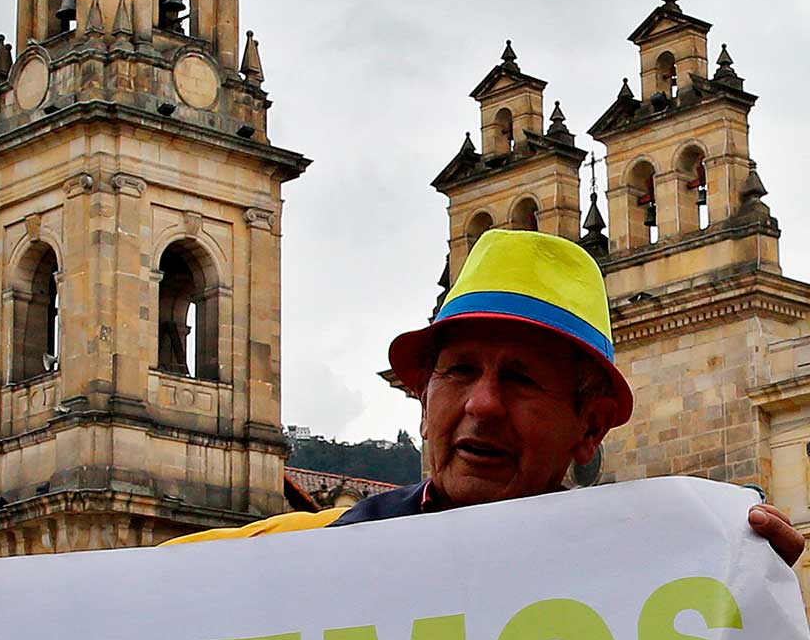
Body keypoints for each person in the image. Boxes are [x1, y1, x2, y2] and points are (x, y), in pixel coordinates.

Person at [170, 228, 806, 565]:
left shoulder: (659, 570)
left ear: (590, 428)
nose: (481, 405)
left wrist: (751, 596)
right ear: (423, 402)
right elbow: (113, 600)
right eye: (459, 372)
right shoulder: (297, 552)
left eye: (522, 379)